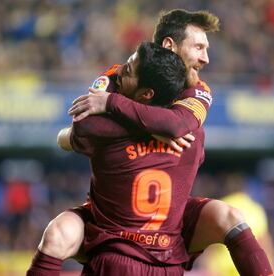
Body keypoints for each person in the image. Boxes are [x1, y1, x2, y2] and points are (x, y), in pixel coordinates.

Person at [29, 9, 273, 276]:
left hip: (170, 220)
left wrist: (112, 104)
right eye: (199, 47)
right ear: (170, 45)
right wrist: (151, 127)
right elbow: (85, 124)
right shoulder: (119, 73)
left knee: (231, 218)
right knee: (58, 232)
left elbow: (176, 126)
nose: (205, 58)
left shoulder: (199, 89)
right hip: (114, 222)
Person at [27, 41, 190, 275]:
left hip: (113, 246)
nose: (121, 69)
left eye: (130, 70)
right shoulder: (190, 135)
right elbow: (178, 124)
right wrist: (151, 125)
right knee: (228, 219)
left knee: (58, 234)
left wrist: (111, 104)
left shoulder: (108, 130)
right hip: (169, 255)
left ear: (146, 94)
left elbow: (84, 126)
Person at [199, 173, 274, 275]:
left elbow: (210, 244)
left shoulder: (221, 206)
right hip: (247, 267)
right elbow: (264, 242)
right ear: (245, 189)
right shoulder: (256, 209)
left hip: (221, 269)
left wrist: (205, 266)